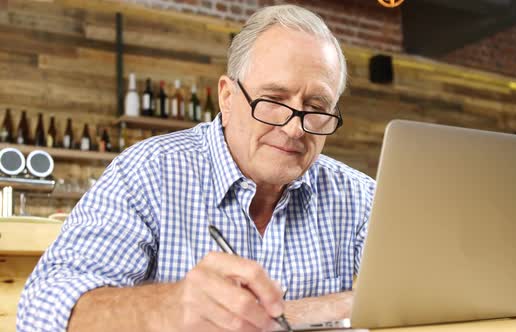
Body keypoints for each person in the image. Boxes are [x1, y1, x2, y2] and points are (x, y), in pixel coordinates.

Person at [17, 4, 375, 332]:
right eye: (272, 100)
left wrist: (288, 315)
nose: (294, 128)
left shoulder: (358, 194)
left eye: (316, 106)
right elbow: (41, 307)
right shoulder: (149, 171)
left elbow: (423, 292)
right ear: (228, 97)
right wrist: (162, 308)